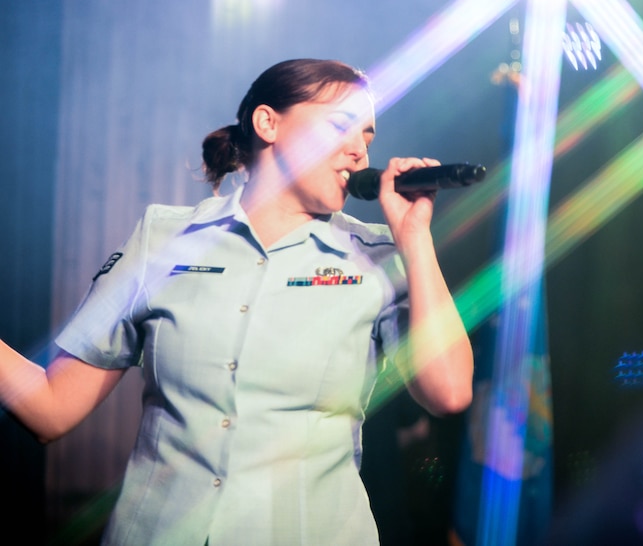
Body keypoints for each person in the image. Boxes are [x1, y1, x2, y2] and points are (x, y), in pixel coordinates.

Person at [0, 58, 473, 544]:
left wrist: (415, 240)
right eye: (341, 128)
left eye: (368, 138)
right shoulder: (163, 238)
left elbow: (450, 391)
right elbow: (50, 409)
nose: (358, 152)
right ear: (269, 123)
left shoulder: (380, 256)